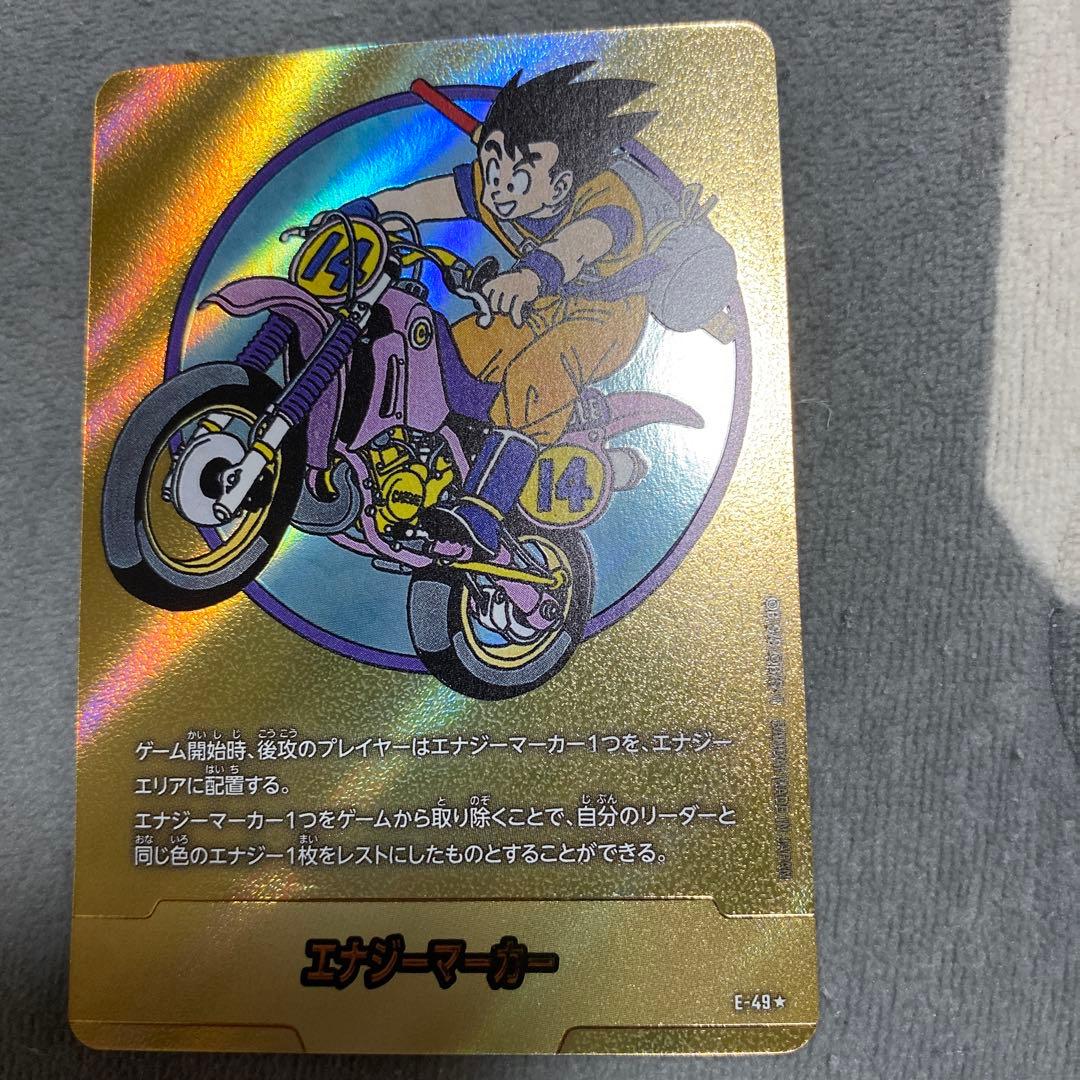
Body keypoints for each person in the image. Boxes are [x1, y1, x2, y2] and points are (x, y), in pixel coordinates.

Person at [344, 62, 655, 554]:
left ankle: (484, 511)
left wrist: (533, 275)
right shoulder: (492, 186)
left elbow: (579, 244)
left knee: (539, 373)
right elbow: (420, 198)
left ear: (560, 185)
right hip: (536, 302)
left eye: (519, 176)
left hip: (605, 317)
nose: (497, 184)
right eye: (493, 163)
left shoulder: (608, 202)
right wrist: (359, 214)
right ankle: (443, 457)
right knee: (459, 350)